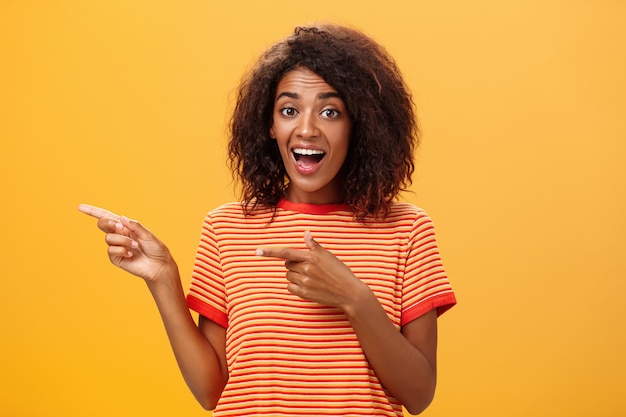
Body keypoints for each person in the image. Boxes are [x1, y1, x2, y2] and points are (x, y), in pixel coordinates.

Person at [79, 23, 456, 416]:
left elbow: (419, 394)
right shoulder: (227, 229)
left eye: (330, 111)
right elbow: (212, 392)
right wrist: (163, 278)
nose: (307, 129)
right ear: (270, 125)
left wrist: (354, 298)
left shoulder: (406, 229)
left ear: (358, 124)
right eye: (289, 110)